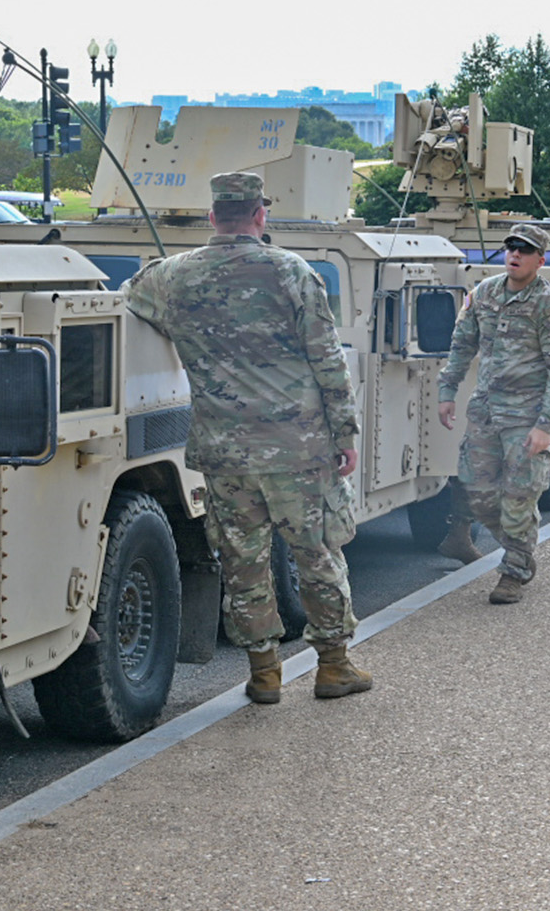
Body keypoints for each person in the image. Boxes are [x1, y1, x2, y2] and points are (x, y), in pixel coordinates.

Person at [124, 172, 370, 704]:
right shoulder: (293, 272)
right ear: (261, 215)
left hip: (224, 452)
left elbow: (131, 302)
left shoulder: (170, 276)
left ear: (213, 217)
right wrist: (345, 432)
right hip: (298, 447)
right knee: (318, 554)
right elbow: (327, 360)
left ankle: (263, 673)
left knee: (243, 561)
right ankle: (333, 666)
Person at [438, 224, 550, 604]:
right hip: (486, 411)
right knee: (477, 491)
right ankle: (520, 547)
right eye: (511, 247)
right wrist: (447, 391)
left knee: (520, 495)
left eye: (525, 249)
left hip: (526, 415)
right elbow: (461, 344)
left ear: (540, 260)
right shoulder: (483, 294)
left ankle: (514, 570)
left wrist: (546, 426)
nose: (515, 254)